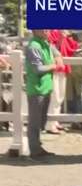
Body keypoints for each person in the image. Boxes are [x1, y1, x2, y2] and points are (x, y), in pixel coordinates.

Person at [24, 30, 67, 158]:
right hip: (37, 89)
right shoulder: (34, 46)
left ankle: (37, 148)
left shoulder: (44, 42)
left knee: (40, 121)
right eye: (44, 28)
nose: (47, 30)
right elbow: (38, 69)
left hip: (44, 88)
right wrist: (54, 66)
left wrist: (58, 59)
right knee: (34, 123)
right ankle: (34, 151)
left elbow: (56, 52)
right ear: (35, 30)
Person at [45, 30, 75, 134]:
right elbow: (51, 51)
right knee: (55, 96)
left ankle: (55, 121)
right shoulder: (51, 32)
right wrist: (61, 39)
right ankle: (50, 124)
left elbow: (71, 48)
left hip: (63, 69)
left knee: (60, 97)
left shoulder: (63, 32)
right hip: (54, 70)